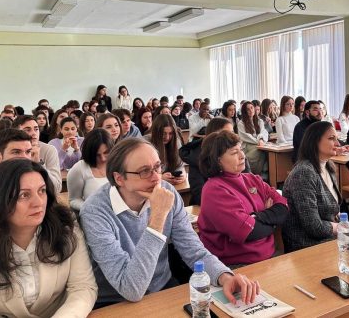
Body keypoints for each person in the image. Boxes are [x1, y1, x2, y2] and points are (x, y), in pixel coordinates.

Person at [79, 138, 259, 306]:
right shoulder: (95, 211)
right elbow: (130, 288)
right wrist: (158, 217)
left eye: (157, 167)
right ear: (119, 178)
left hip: (162, 288)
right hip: (116, 301)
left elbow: (193, 249)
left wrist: (225, 277)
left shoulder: (167, 191)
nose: (156, 178)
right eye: (144, 171)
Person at [0, 160, 97, 317]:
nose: (38, 203)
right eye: (24, 195)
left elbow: (83, 287)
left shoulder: (65, 228)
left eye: (42, 191)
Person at [198, 130, 288, 266]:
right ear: (217, 160)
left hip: (269, 255)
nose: (242, 156)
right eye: (234, 153)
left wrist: (257, 217)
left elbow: (283, 207)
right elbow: (249, 232)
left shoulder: (252, 179)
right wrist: (273, 221)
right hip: (236, 264)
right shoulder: (214, 189)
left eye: (241, 149)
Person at [282, 121, 343, 252]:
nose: (338, 144)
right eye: (331, 138)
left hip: (328, 239)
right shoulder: (304, 173)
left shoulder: (329, 167)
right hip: (306, 246)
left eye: (337, 139)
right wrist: (340, 228)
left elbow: (332, 210)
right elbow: (314, 227)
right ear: (314, 141)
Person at [180, 118, 251, 206]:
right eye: (226, 133)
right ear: (215, 136)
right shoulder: (198, 158)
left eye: (232, 132)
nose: (231, 136)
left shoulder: (239, 153)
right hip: (211, 205)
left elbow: (249, 183)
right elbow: (200, 194)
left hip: (240, 202)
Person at [67, 129, 114, 211]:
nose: (103, 159)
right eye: (97, 155)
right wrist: (91, 209)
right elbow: (73, 200)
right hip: (93, 214)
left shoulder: (117, 164)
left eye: (106, 152)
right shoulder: (80, 168)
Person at [13, 115, 62, 194]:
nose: (33, 133)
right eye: (27, 130)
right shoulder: (10, 150)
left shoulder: (49, 150)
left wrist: (39, 163)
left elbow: (57, 188)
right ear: (16, 133)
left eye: (36, 129)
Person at [147, 114, 186, 185]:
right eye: (163, 133)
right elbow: (142, 172)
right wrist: (160, 177)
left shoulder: (176, 141)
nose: (167, 137)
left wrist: (182, 174)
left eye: (170, 133)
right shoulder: (145, 143)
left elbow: (179, 165)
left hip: (171, 183)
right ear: (156, 132)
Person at [238, 101, 269, 176]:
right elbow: (246, 137)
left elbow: (263, 132)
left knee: (268, 151)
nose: (251, 110)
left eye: (252, 108)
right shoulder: (241, 123)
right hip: (248, 147)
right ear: (244, 112)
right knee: (260, 151)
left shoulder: (260, 121)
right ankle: (258, 174)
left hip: (260, 144)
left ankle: (265, 173)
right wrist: (258, 141)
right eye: (248, 109)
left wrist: (261, 139)